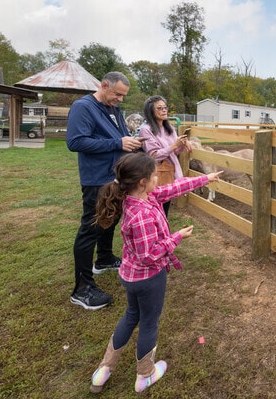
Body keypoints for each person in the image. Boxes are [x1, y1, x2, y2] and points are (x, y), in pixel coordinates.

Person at [88, 152, 221, 394]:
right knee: (149, 323)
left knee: (131, 316)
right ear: (142, 181)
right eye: (155, 175)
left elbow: (174, 188)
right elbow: (149, 255)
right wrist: (177, 237)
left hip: (130, 276)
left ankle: (103, 371)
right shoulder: (142, 215)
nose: (158, 179)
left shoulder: (137, 198)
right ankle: (145, 375)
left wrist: (205, 179)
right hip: (148, 278)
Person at [67, 71, 145, 310]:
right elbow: (75, 142)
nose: (120, 99)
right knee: (90, 227)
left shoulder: (114, 110)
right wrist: (117, 143)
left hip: (114, 177)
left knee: (110, 219)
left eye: (123, 96)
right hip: (96, 179)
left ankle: (104, 258)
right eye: (117, 94)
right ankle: (82, 289)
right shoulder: (84, 107)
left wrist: (131, 143)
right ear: (104, 85)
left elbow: (120, 137)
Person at [138, 95, 192, 216]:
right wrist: (174, 145)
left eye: (165, 107)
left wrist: (182, 144)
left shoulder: (170, 128)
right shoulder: (146, 130)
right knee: (155, 209)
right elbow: (154, 155)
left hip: (169, 173)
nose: (164, 110)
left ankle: (163, 233)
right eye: (159, 108)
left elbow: (175, 153)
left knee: (165, 208)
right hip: (156, 175)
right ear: (150, 111)